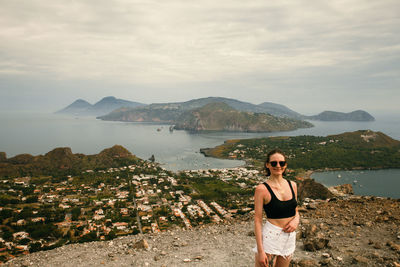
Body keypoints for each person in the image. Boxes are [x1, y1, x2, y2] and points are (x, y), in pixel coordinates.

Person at [253, 149, 300, 267]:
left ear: (285, 165)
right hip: (271, 237)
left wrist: (296, 220)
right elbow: (258, 220)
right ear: (267, 165)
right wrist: (260, 251)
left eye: (281, 163)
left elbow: (295, 210)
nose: (278, 166)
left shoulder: (292, 185)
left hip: (289, 237)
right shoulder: (261, 189)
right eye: (274, 163)